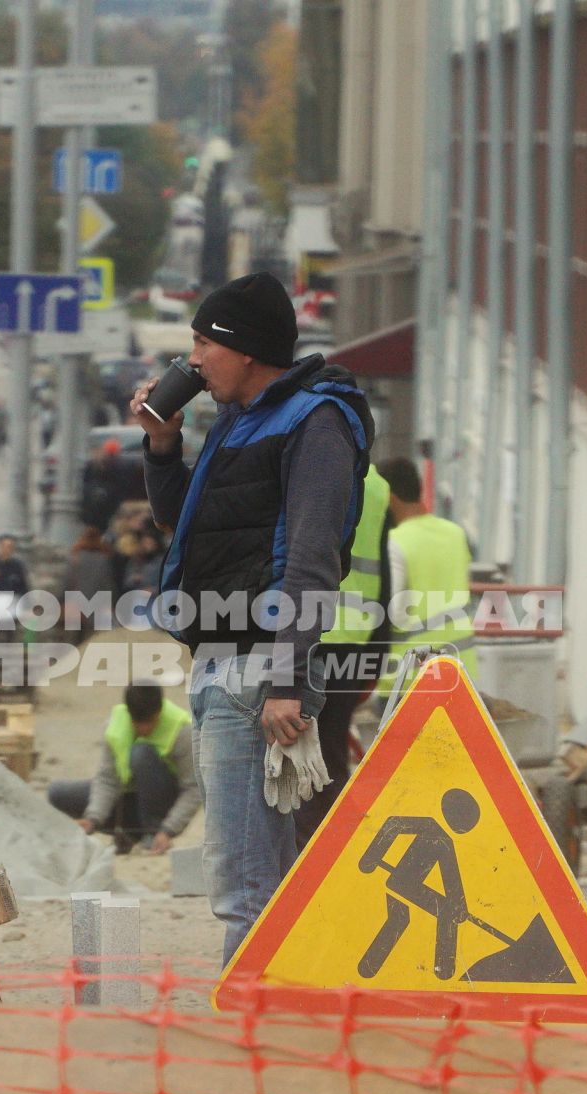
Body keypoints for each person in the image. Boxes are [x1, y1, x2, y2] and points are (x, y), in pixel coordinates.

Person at [130, 271, 375, 963]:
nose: (194, 359)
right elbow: (190, 527)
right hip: (224, 668)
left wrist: (286, 679)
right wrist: (161, 447)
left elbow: (312, 557)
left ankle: (253, 1019)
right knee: (250, 871)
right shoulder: (243, 420)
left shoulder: (315, 421)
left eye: (204, 341)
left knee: (243, 882)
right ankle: (272, 1009)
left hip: (260, 671)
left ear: (244, 350)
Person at [294, 461, 391, 850]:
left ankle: (310, 858)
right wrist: (379, 649)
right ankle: (336, 852)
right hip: (355, 633)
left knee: (292, 750)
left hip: (302, 630)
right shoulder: (378, 483)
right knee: (330, 749)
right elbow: (383, 571)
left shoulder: (301, 459)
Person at [48, 684, 202, 855]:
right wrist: (93, 818)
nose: (143, 729)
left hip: (163, 807)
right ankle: (129, 834)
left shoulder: (182, 730)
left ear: (159, 712)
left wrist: (167, 830)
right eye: (137, 722)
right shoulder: (116, 725)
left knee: (140, 753)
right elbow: (107, 779)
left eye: (149, 722)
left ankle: (152, 835)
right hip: (129, 802)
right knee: (57, 793)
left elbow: (193, 789)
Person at [378, 456, 479, 689]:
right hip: (461, 671)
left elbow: (390, 612)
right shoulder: (455, 534)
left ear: (390, 499)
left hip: (410, 680)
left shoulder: (395, 543)